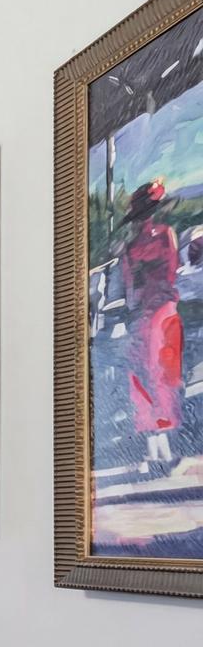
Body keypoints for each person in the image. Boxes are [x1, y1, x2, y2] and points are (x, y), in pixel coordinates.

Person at [117, 180, 185, 473]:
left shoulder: (132, 247)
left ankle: (157, 452)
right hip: (160, 312)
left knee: (146, 379)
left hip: (146, 315)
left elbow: (131, 289)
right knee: (159, 378)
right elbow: (169, 274)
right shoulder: (166, 237)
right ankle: (162, 452)